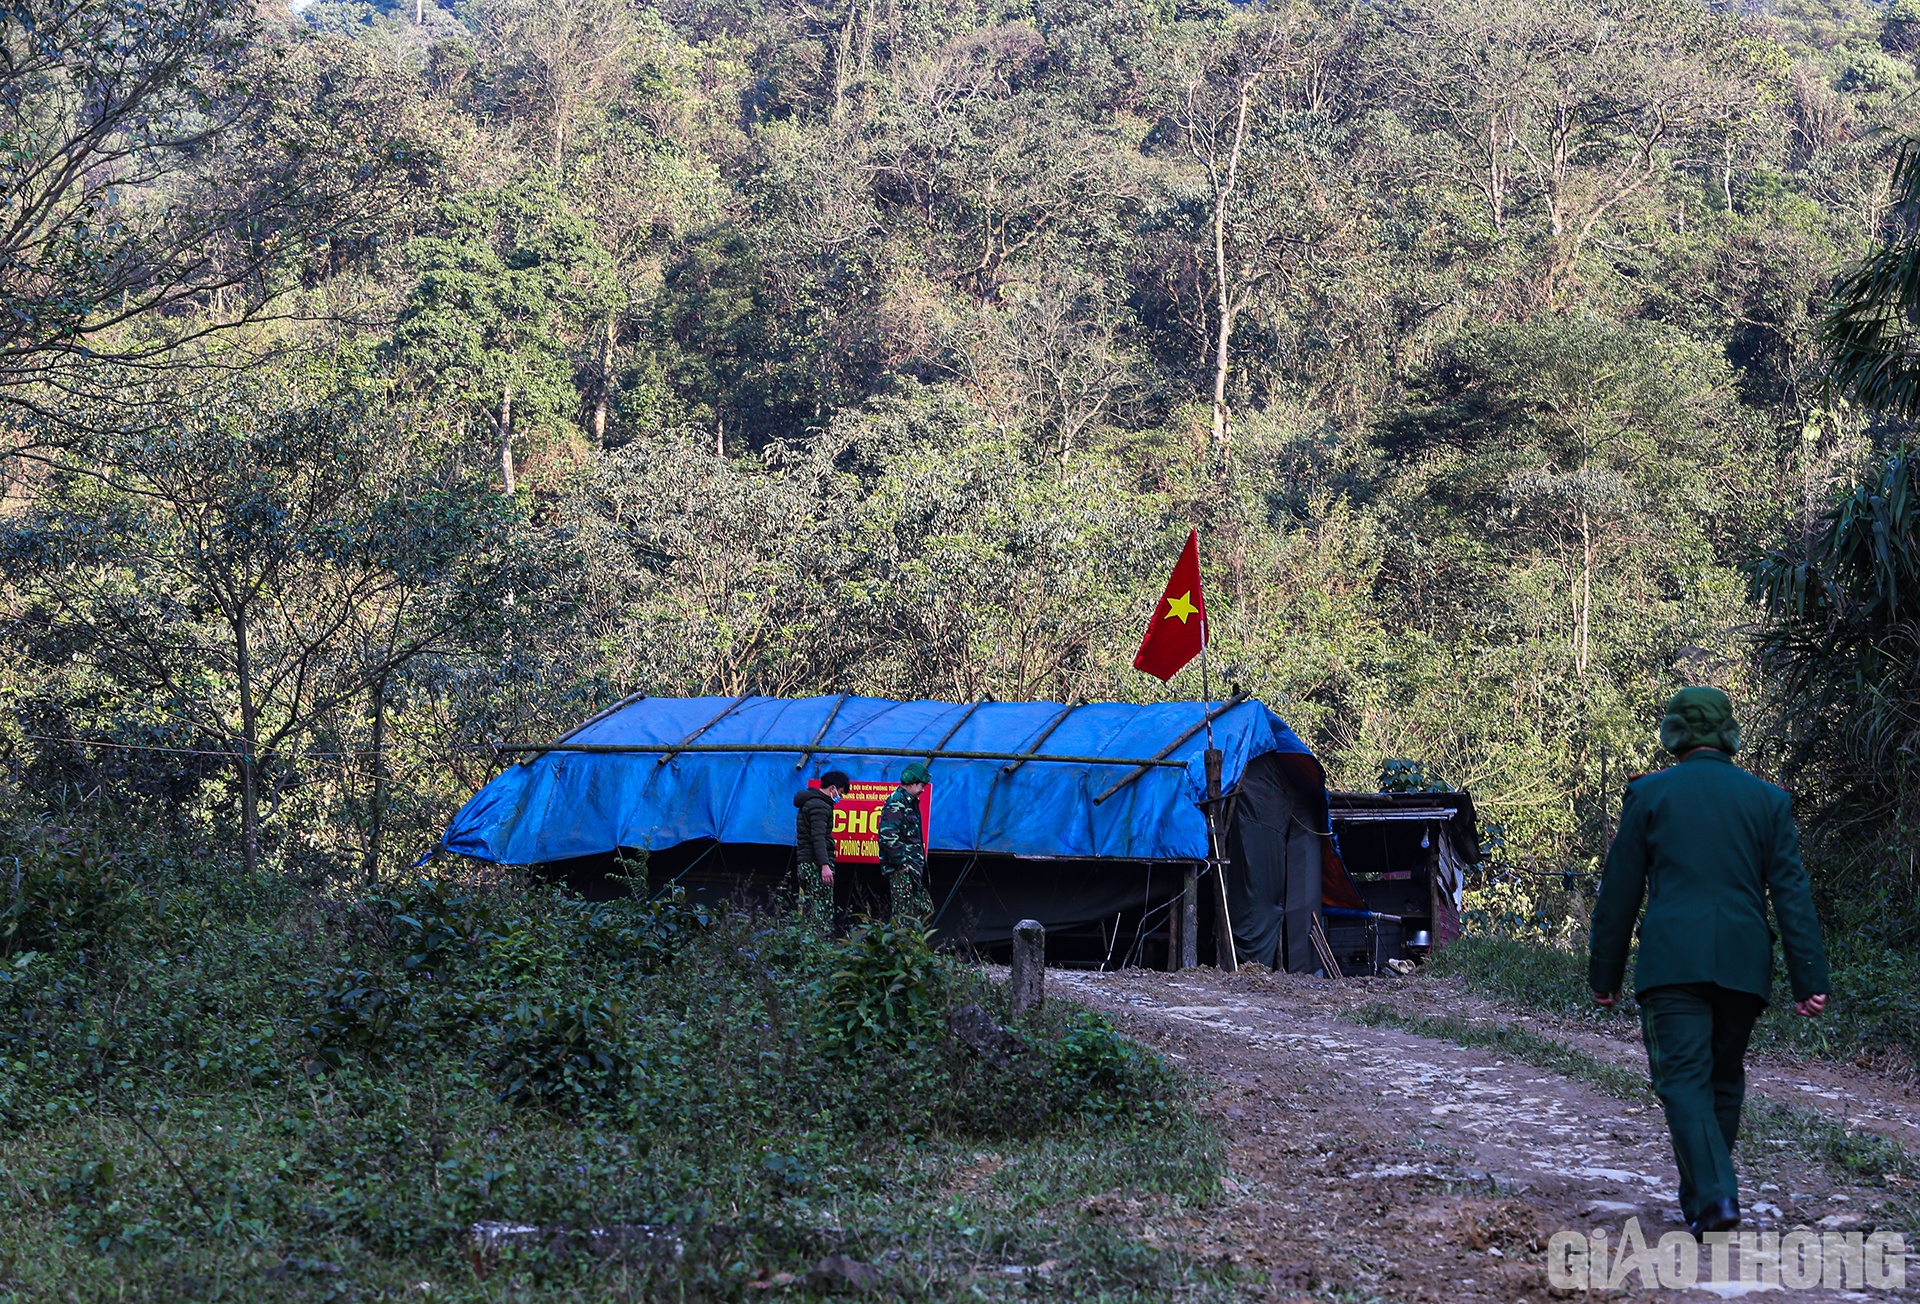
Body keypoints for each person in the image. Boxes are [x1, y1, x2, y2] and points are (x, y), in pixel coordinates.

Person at [1589, 687, 1829, 1238]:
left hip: (1672, 964)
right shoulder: (1767, 800)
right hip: (1745, 966)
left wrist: (1604, 973)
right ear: (1729, 734)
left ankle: (1718, 1197)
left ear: (1672, 733)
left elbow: (1619, 894)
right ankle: (1701, 1198)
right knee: (1722, 1078)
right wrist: (1809, 977)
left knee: (1683, 1080)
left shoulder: (1649, 795)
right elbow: (1791, 894)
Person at [877, 762, 932, 926]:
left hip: (913, 869)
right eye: (922, 785)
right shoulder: (897, 802)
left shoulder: (910, 802)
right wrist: (901, 863)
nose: (923, 789)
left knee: (925, 909)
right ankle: (898, 949)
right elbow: (887, 836)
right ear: (913, 782)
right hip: (903, 870)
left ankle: (912, 947)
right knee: (904, 917)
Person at [794, 770, 848, 933]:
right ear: (832, 788)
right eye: (840, 792)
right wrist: (825, 865)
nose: (840, 796)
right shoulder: (820, 806)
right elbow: (818, 838)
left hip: (806, 863)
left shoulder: (810, 801)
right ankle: (818, 949)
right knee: (820, 910)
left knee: (809, 908)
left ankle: (809, 946)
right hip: (814, 865)